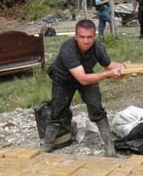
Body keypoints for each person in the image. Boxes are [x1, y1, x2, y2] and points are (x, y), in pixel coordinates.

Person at [43, 19, 125, 157]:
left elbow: (110, 64)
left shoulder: (97, 47)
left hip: (86, 74)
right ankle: (46, 146)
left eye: (89, 37)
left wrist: (129, 68)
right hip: (63, 80)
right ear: (76, 36)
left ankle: (110, 150)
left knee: (97, 109)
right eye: (82, 37)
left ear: (94, 36)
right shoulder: (67, 48)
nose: (86, 41)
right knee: (58, 113)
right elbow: (83, 79)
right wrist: (109, 74)